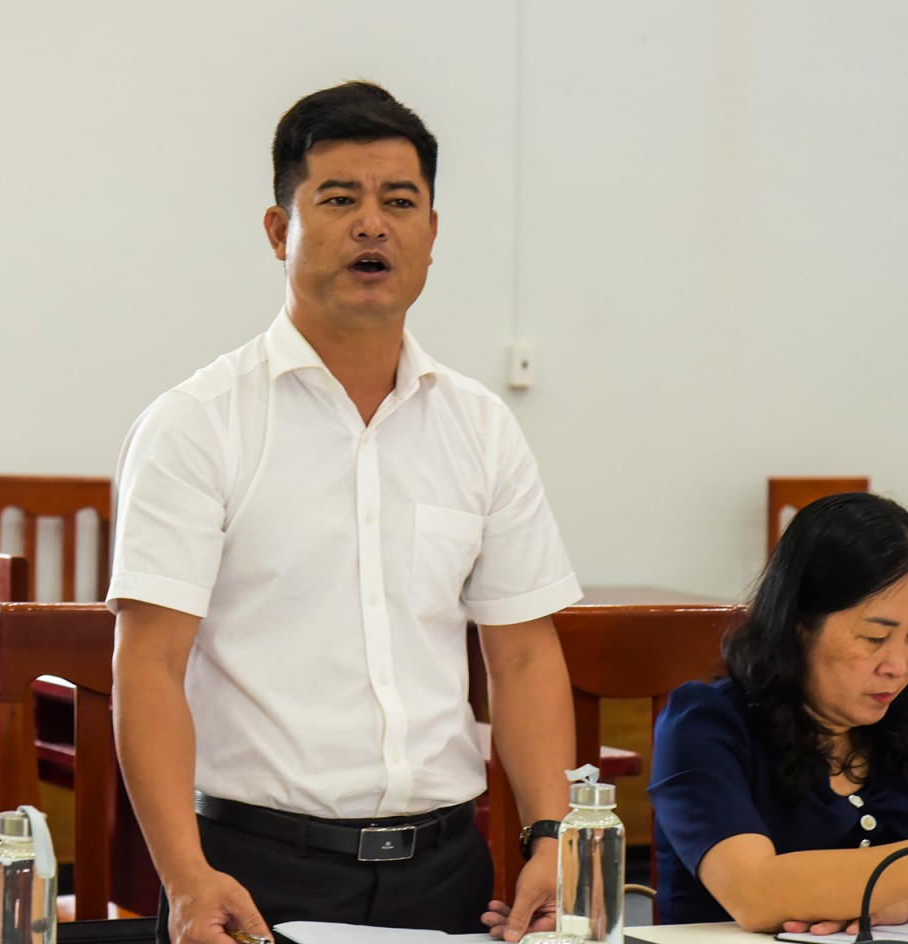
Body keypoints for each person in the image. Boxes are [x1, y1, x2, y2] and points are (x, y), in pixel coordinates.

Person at [108, 81, 582, 944]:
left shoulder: (480, 427)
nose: (373, 225)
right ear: (278, 230)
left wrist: (552, 837)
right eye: (338, 200)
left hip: (448, 871)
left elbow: (521, 656)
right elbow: (149, 665)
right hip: (253, 872)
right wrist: (184, 876)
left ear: (431, 232)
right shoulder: (198, 424)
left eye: (399, 202)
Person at [648, 492, 908, 933]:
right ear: (799, 625)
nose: (899, 666)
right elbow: (755, 893)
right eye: (875, 638)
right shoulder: (704, 723)